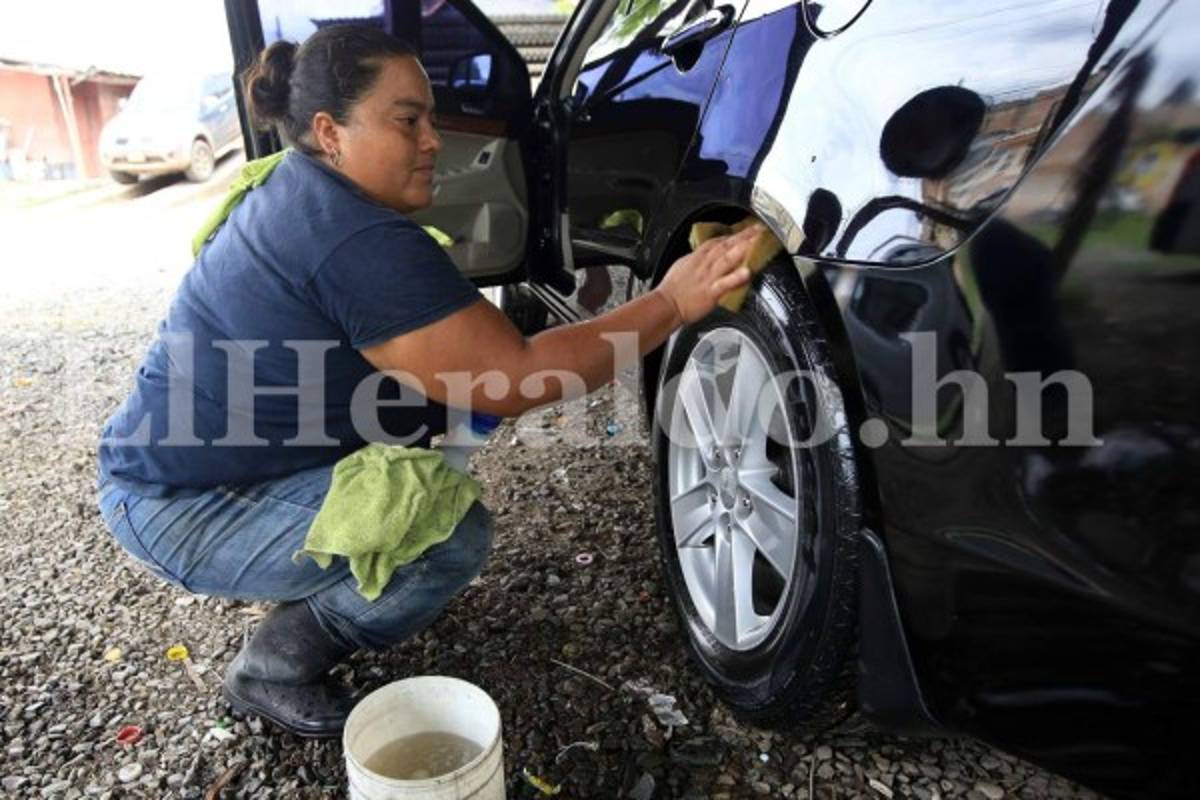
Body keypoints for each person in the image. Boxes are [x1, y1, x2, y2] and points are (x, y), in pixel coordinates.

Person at [94, 24, 758, 738]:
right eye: (406, 120)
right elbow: (516, 377)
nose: (433, 140)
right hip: (181, 508)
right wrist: (671, 302)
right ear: (331, 131)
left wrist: (455, 398)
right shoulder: (351, 237)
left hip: (170, 469)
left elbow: (457, 372)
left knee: (426, 448)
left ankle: (310, 567)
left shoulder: (301, 191)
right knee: (446, 538)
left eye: (432, 120)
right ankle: (274, 664)